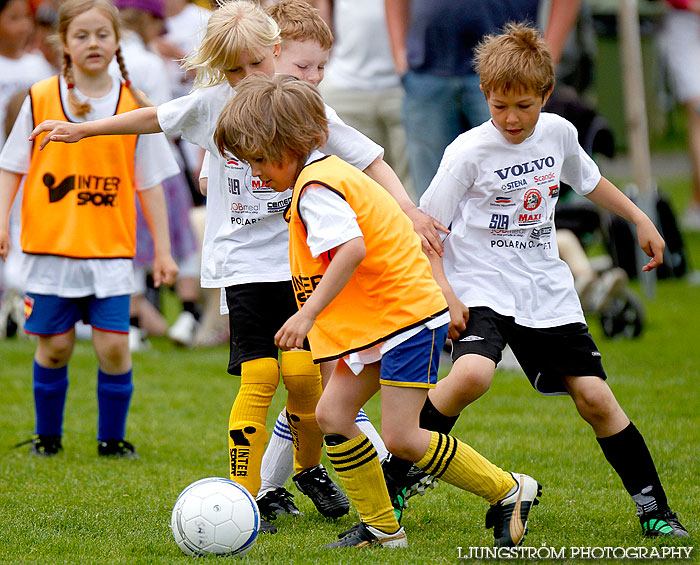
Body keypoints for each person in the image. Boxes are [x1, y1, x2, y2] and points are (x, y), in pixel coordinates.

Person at [213, 73, 542, 549]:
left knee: (404, 436)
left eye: (261, 159)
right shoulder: (318, 178)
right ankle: (383, 528)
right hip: (377, 324)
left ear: (295, 144)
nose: (256, 171)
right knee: (333, 414)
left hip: (404, 319)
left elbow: (350, 249)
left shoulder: (316, 188)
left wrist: (306, 316)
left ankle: (509, 489)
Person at [411, 23, 688, 538]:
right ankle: (400, 475)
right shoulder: (466, 153)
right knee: (471, 375)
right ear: (485, 96)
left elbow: (591, 180)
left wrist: (640, 220)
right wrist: (445, 293)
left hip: (546, 290)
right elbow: (428, 230)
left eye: (523, 106)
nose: (511, 119)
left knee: (596, 399)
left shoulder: (559, 132)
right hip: (480, 285)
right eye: (499, 107)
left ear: (545, 93)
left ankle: (655, 511)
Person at [0, 0, 179, 457]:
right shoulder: (40, 97)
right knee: (55, 346)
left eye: (102, 34)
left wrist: (162, 250)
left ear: (117, 41)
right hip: (50, 251)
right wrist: (2, 221)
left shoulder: (132, 106)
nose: (93, 43)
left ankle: (113, 441)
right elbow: (11, 168)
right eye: (81, 35)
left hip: (110, 252)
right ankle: (48, 438)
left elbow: (152, 185)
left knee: (114, 350)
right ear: (63, 43)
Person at [251, 0, 388, 522]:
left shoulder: (315, 119)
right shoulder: (234, 101)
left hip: (314, 276)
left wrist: (409, 212)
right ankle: (269, 487)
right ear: (271, 56)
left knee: (319, 383)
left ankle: (279, 483)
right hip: (256, 273)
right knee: (298, 383)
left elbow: (372, 158)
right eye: (301, 67)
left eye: (321, 68)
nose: (313, 78)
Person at [384, 0, 580, 197]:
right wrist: (400, 57)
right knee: (430, 195)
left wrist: (548, 59)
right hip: (426, 74)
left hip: (509, 80)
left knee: (519, 191)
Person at [310, 0, 415, 201]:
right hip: (345, 88)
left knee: (409, 188)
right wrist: (324, 63)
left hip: (401, 89)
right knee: (358, 190)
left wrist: (406, 70)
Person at [658, 0, 700, 230]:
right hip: (685, 23)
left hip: (686, 21)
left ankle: (696, 203)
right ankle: (697, 203)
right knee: (697, 118)